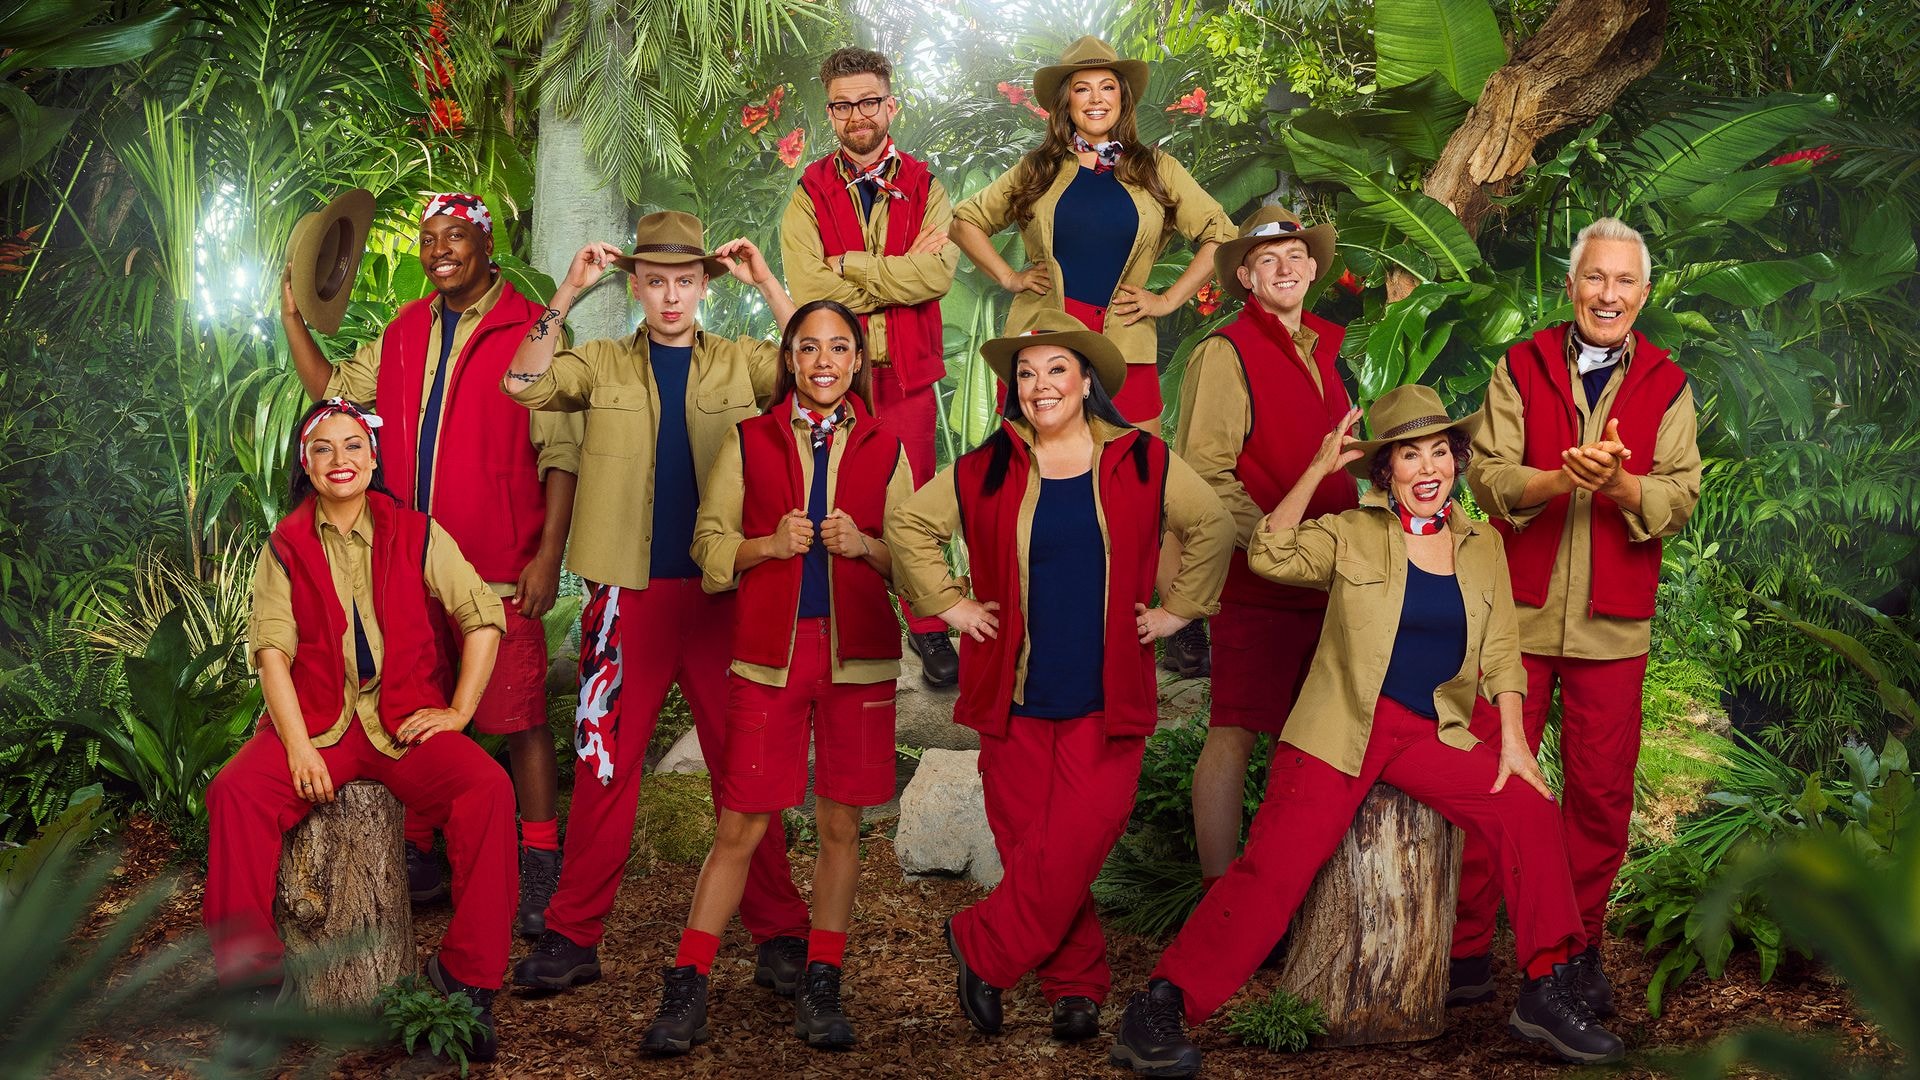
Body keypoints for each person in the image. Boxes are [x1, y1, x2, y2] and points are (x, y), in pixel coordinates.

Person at [1109, 385, 1626, 1078]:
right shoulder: (1351, 531)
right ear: (1386, 470)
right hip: (1339, 729)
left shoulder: (1483, 546)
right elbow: (1268, 552)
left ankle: (1546, 988)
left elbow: (1503, 650)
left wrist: (1511, 738)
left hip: (1430, 732)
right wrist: (1318, 468)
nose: (1427, 467)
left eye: (1439, 451)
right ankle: (1159, 1006)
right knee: (1272, 873)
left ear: (1457, 460)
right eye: (1409, 455)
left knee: (1528, 806)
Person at [887, 310, 1232, 1044]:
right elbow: (909, 527)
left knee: (1080, 838)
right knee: (1034, 851)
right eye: (1026, 373)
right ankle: (1075, 986)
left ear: (1086, 380)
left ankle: (981, 945)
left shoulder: (1143, 459)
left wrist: (1177, 612)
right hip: (1012, 696)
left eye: (1055, 369)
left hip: (1106, 695)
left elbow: (1214, 525)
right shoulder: (985, 467)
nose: (1039, 385)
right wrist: (950, 605)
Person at [500, 212, 817, 1000]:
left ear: (704, 285)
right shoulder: (600, 362)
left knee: (745, 772)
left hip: (723, 597)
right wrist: (568, 292)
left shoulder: (741, 363)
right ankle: (574, 937)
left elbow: (815, 363)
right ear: (636, 287)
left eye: (684, 280)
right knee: (604, 767)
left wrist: (768, 282)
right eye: (655, 281)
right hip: (624, 599)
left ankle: (781, 935)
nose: (671, 295)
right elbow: (523, 382)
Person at [280, 192, 578, 933]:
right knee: (413, 708)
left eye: (455, 236)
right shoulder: (405, 330)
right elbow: (334, 395)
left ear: (486, 245)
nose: (440, 250)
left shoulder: (529, 327)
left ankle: (541, 861)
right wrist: (291, 318)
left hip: (498, 564)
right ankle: (420, 851)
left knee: (517, 718)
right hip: (411, 570)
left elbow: (562, 456)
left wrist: (549, 557)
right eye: (429, 238)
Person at [641, 300, 915, 1055]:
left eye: (839, 348)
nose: (824, 361)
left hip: (859, 661)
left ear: (857, 360)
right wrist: (767, 545)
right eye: (808, 348)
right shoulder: (749, 439)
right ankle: (687, 984)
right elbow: (709, 544)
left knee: (840, 826)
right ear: (790, 359)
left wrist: (865, 546)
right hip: (769, 657)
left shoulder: (889, 447)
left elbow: (916, 564)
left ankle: (823, 982)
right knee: (740, 824)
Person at [205, 398, 514, 1061]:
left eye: (353, 445)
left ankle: (467, 983)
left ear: (373, 458)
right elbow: (272, 654)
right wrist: (296, 748)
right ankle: (256, 993)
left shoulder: (418, 532)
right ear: (306, 464)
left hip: (401, 722)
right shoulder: (284, 546)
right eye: (324, 448)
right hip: (318, 724)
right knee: (235, 793)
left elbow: (483, 616)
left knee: (487, 789)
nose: (340, 459)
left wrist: (459, 712)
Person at [1449, 217, 1702, 1015]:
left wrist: (1621, 486)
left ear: (1644, 294)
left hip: (1612, 626)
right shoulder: (1519, 366)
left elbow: (1680, 497)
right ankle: (1464, 949)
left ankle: (1575, 950)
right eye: (1595, 277)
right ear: (1571, 286)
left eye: (1624, 281)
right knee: (1491, 779)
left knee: (1599, 796)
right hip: (1515, 621)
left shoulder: (1668, 383)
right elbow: (1487, 477)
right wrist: (1561, 480)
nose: (1608, 294)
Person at [1173, 205, 1356, 886]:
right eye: (1267, 260)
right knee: (1235, 730)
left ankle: (1287, 888)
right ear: (1246, 278)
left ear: (1312, 269)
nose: (1285, 268)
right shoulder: (1226, 352)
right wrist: (1278, 547)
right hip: (1260, 580)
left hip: (1325, 581)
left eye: (1295, 256)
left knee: (1308, 738)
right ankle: (1221, 896)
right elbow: (1205, 474)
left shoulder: (1321, 350)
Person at [781, 45, 962, 690]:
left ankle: (929, 623)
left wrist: (851, 266)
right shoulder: (809, 192)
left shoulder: (927, 185)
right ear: (830, 112)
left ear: (891, 104)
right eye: (843, 105)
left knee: (914, 503)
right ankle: (838, 622)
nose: (856, 115)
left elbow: (937, 275)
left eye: (868, 102)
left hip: (906, 372)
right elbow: (809, 289)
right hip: (835, 377)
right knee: (833, 498)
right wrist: (894, 277)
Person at [948, 35, 1236, 436]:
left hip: (1126, 340)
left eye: (1107, 87)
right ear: (1066, 101)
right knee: (1035, 462)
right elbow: (964, 221)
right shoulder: (1038, 168)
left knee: (1136, 461)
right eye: (1082, 89)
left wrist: (1168, 300)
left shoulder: (1157, 169)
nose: (1096, 99)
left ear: (1122, 98)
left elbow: (1220, 233)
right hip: (1044, 339)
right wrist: (1009, 277)